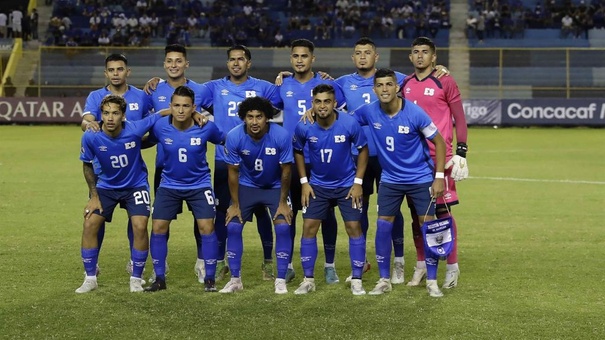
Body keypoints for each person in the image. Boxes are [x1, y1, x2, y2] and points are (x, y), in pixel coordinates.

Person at [334, 37, 450, 284]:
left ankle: (400, 262)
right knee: (361, 209)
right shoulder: (341, 83)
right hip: (362, 158)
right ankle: (363, 261)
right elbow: (324, 99)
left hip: (397, 163)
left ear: (376, 57)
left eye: (368, 52)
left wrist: (439, 71)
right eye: (358, 53)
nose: (363, 56)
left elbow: (423, 75)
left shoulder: (400, 78)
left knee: (400, 213)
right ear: (353, 57)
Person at [350, 68, 447, 297]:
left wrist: (439, 176)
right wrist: (313, 114)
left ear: (397, 87)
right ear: (374, 89)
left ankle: (432, 280)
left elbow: (439, 142)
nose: (384, 89)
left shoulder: (415, 113)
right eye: (380, 85)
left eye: (388, 85)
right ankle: (384, 279)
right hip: (391, 179)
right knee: (383, 226)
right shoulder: (369, 112)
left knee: (428, 226)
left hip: (420, 178)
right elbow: (343, 119)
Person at [275, 38, 346, 284]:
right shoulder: (282, 85)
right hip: (290, 160)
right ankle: (291, 264)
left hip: (321, 161)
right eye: (295, 56)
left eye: (304, 56)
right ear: (291, 59)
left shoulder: (326, 84)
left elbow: (343, 110)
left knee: (326, 214)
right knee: (289, 212)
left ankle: (329, 265)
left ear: (312, 59)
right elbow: (267, 109)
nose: (300, 60)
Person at [76, 95, 161, 294]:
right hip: (106, 187)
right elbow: (87, 165)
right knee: (89, 223)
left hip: (136, 186)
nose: (110, 118)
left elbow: (159, 115)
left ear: (123, 115)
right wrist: (94, 196)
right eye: (106, 113)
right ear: (101, 115)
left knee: (140, 225)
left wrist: (194, 113)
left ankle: (136, 278)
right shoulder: (91, 136)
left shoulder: (134, 129)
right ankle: (90, 278)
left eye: (115, 113)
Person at [402, 36, 468, 290]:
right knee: (417, 214)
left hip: (439, 158)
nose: (420, 56)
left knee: (442, 212)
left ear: (434, 57)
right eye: (416, 52)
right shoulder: (405, 83)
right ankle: (421, 265)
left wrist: (461, 152)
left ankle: (452, 266)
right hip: (411, 160)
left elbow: (459, 118)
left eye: (425, 52)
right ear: (411, 57)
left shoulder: (445, 80)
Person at [80, 53, 153, 276]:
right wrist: (89, 124)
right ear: (106, 73)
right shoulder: (96, 96)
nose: (115, 74)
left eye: (119, 69)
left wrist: (136, 143)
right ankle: (93, 265)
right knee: (96, 217)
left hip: (132, 171)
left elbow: (153, 126)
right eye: (111, 70)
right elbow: (86, 121)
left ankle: (135, 261)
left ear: (127, 72)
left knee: (137, 219)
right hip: (104, 172)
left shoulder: (141, 96)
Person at [144, 86, 223, 292]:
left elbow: (224, 140)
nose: (180, 110)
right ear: (170, 106)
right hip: (169, 185)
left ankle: (210, 279)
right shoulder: (161, 127)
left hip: (199, 185)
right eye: (177, 105)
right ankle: (159, 278)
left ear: (194, 108)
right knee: (159, 227)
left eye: (186, 106)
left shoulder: (206, 127)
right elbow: (143, 141)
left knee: (207, 228)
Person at [293, 84, 369, 296]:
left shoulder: (348, 123)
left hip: (347, 186)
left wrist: (358, 183)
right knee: (308, 227)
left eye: (327, 101)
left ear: (334, 103)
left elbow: (363, 150)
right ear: (312, 104)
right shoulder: (304, 125)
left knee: (354, 227)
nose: (323, 105)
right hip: (317, 186)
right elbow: (297, 150)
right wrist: (304, 182)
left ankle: (356, 279)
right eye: (318, 101)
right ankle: (308, 279)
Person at [146, 44, 208, 284]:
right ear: (164, 65)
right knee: (161, 220)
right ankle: (160, 267)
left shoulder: (202, 90)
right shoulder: (152, 91)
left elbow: (216, 115)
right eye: (169, 61)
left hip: (195, 170)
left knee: (200, 219)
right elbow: (144, 122)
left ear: (186, 64)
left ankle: (202, 262)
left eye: (178, 61)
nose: (174, 65)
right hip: (164, 167)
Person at [221, 96, 294, 294]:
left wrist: (283, 202)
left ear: (267, 118)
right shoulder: (235, 136)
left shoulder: (281, 135)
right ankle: (236, 279)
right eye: (250, 117)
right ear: (243, 118)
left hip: (275, 187)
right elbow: (233, 172)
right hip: (247, 186)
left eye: (259, 117)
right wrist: (235, 204)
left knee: (283, 227)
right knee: (233, 227)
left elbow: (286, 171)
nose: (254, 122)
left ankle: (280, 279)